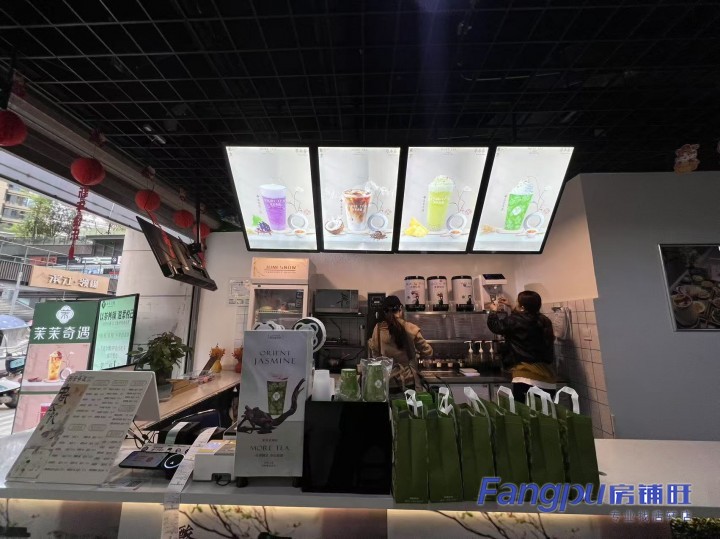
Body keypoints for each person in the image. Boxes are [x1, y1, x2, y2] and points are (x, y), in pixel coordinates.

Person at [487, 290, 556, 403]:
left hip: (526, 378)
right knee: (545, 414)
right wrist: (512, 307)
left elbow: (496, 326)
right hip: (548, 379)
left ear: (522, 306)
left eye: (517, 302)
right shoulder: (545, 321)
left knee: (525, 414)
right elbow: (524, 320)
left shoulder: (514, 320)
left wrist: (493, 311)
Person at [368, 295, 433, 389]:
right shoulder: (411, 328)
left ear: (384, 312)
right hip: (409, 381)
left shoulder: (378, 329)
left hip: (388, 381)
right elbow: (428, 352)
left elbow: (375, 354)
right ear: (400, 308)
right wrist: (416, 355)